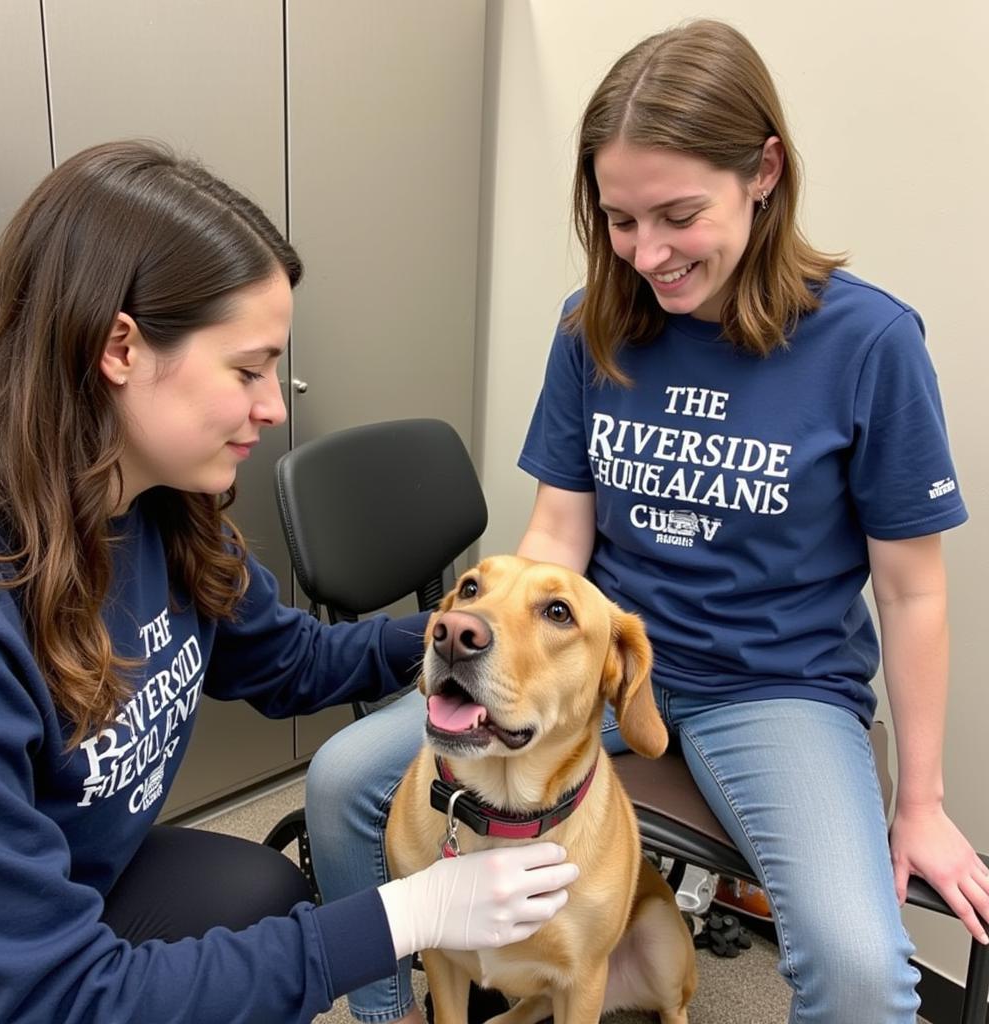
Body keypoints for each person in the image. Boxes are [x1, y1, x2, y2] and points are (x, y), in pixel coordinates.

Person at [306, 18, 989, 1024]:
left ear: (763, 171)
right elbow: (557, 542)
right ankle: (387, 1013)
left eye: (676, 214)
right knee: (342, 780)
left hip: (775, 689)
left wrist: (918, 802)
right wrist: (502, 642)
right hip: (602, 667)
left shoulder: (869, 344)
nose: (648, 254)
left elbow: (912, 588)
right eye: (621, 220)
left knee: (860, 974)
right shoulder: (594, 325)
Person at [0, 140, 580, 1024]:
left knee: (265, 897)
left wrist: (474, 638)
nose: (275, 405)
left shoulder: (161, 507)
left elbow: (293, 661)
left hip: (79, 877)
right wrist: (406, 915)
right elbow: (52, 994)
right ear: (120, 348)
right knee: (316, 938)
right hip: (13, 968)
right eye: (247, 369)